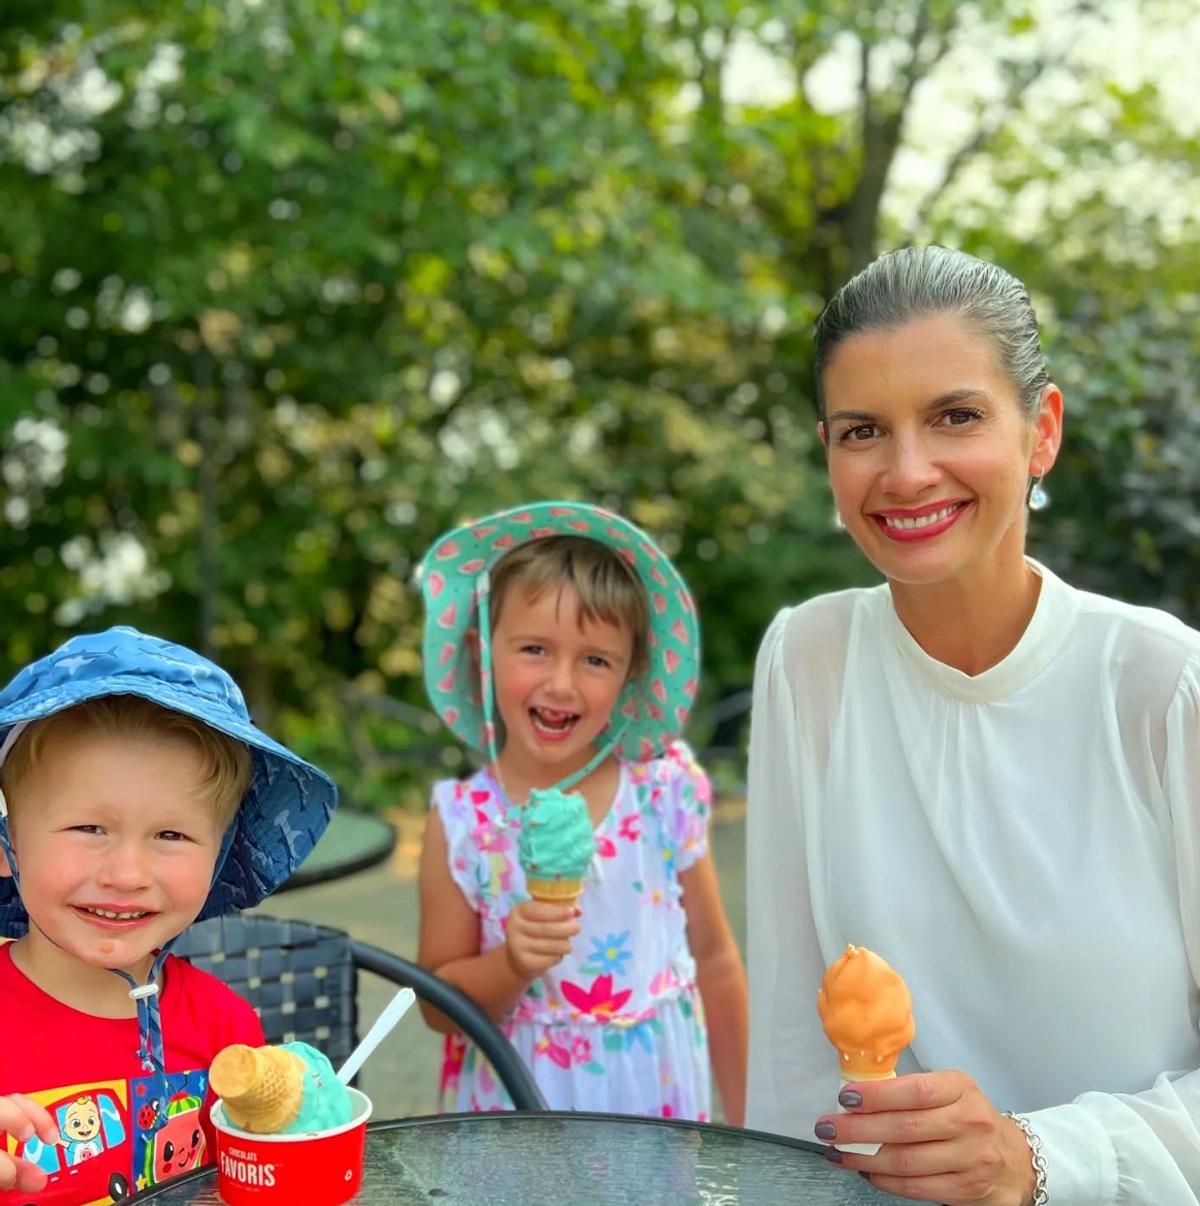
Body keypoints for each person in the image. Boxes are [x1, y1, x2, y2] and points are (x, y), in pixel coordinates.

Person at [745, 244, 1200, 1206]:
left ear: (1042, 432)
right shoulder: (807, 658)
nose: (908, 473)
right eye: (863, 430)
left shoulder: (1165, 685)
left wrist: (1032, 1158)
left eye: (955, 416)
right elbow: (792, 1047)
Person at [416, 501, 748, 1123]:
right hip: (517, 1115)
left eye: (595, 659)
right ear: (481, 652)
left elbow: (716, 959)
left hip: (656, 1106)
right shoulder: (461, 820)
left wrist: (751, 1120)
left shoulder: (662, 789)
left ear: (631, 675)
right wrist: (509, 964)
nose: (562, 684)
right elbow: (437, 1008)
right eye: (534, 649)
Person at [0, 626, 337, 1204]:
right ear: (6, 843)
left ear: (220, 856)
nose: (127, 872)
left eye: (172, 834)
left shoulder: (225, 1029)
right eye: (89, 828)